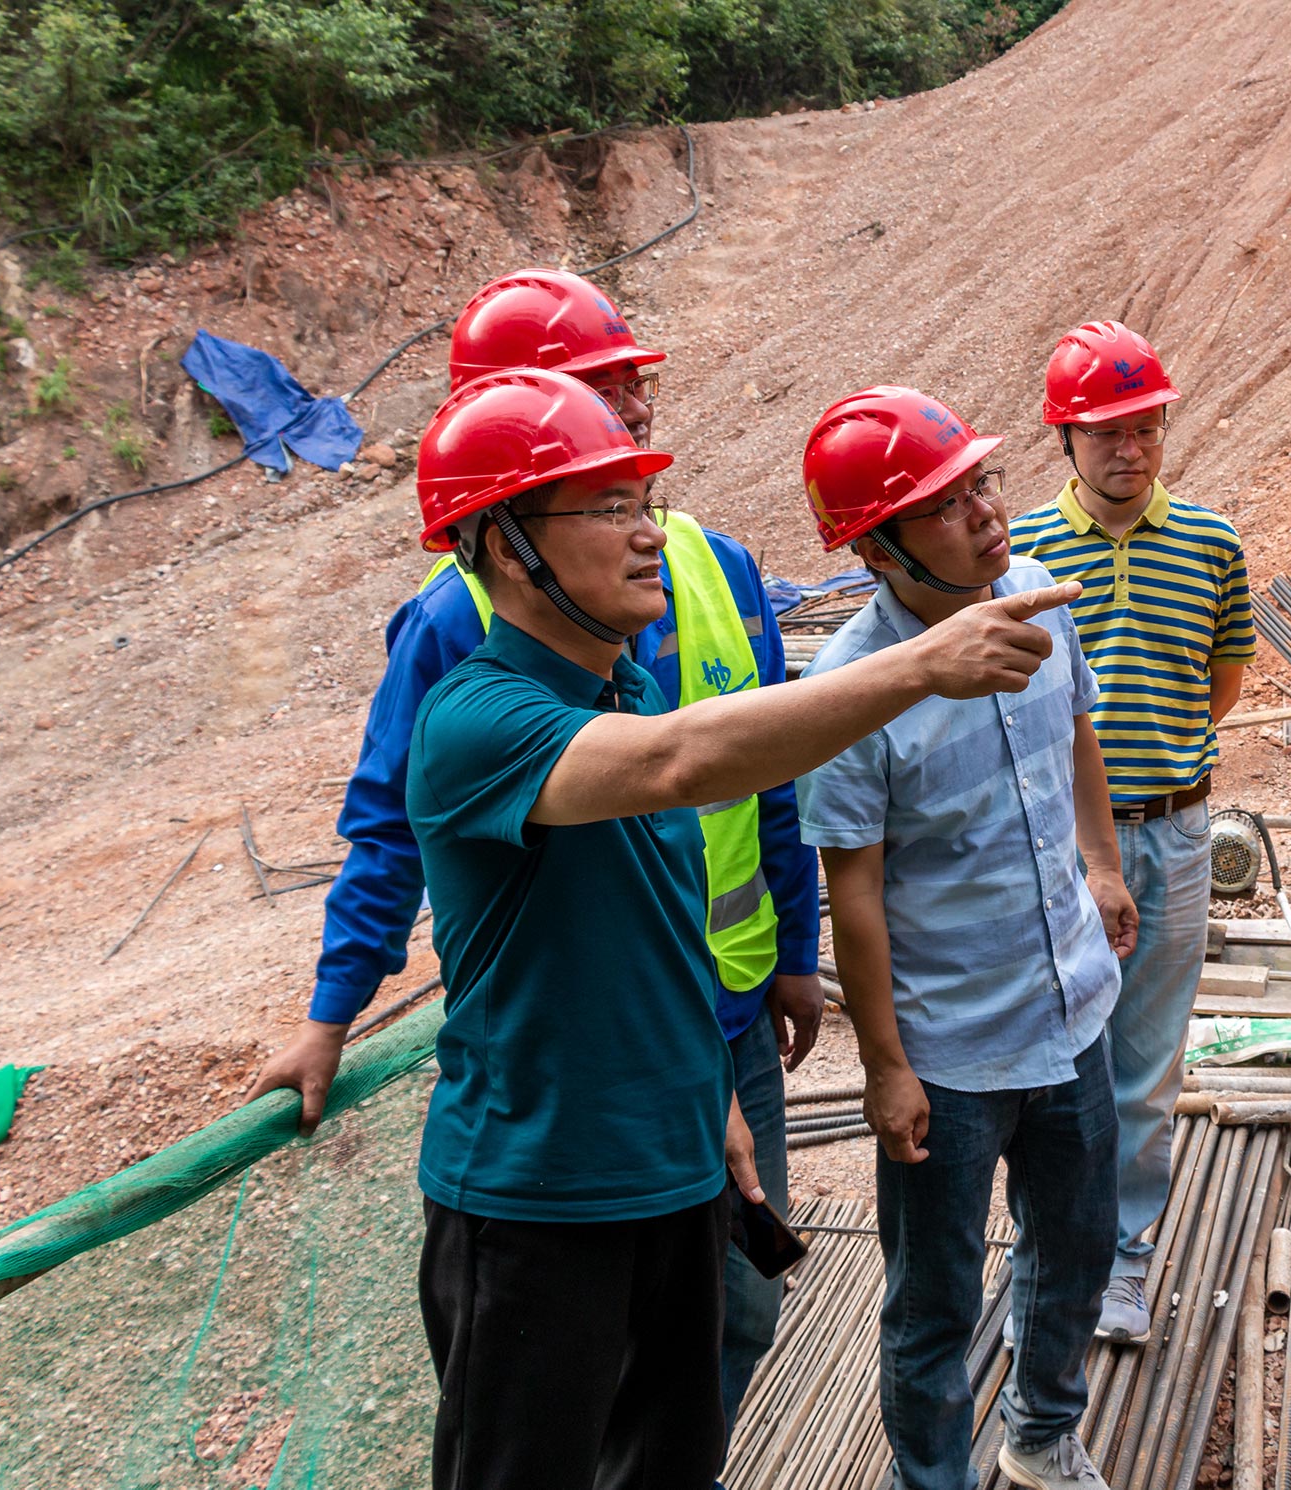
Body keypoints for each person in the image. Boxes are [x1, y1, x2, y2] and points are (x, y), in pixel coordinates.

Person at [395, 368, 1083, 1490]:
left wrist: (707, 1095)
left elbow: (660, 932)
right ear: (507, 544)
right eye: (607, 508)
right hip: (540, 1199)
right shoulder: (479, 718)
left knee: (673, 1465)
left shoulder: (623, 697)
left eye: (644, 503)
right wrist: (922, 662)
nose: (647, 535)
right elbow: (687, 760)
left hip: (671, 1170)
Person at [244, 267, 822, 1436]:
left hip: (713, 1017)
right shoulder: (457, 626)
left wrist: (794, 953)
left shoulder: (705, 565)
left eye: (630, 385)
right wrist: (331, 1011)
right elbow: (392, 826)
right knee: (570, 1386)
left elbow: (764, 781)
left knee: (729, 1320)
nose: (632, 406)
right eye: (598, 389)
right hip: (578, 1071)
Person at [796, 387, 1137, 1490]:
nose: (985, 512)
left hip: (1070, 1007)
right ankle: (932, 1479)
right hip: (949, 1051)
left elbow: (1075, 732)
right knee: (934, 1299)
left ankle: (1041, 1433)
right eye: (944, 505)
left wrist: (1101, 864)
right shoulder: (848, 691)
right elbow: (853, 891)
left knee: (1078, 1245)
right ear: (877, 548)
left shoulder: (1041, 600)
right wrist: (885, 1067)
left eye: (980, 484)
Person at [1008, 322, 1255, 1342]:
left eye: (1145, 426)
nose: (1130, 447)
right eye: (1106, 430)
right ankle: (1043, 1259)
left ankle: (1121, 1260)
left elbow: (1221, 684)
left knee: (1146, 1061)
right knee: (1049, 1057)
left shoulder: (1211, 543)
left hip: (1174, 832)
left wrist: (1154, 772)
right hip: (1054, 845)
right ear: (1065, 437)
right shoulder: (1021, 554)